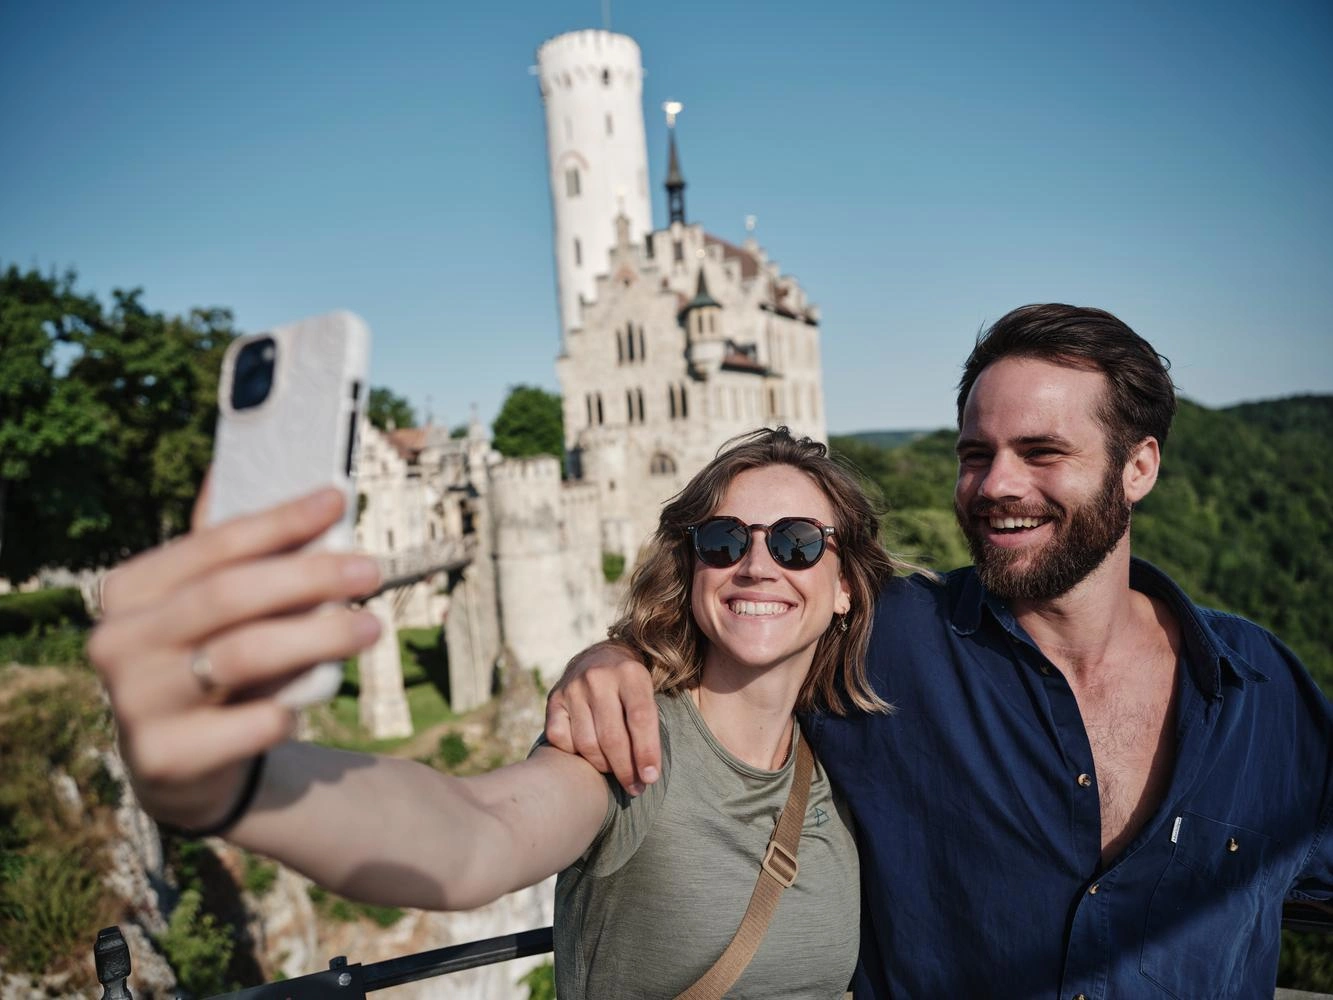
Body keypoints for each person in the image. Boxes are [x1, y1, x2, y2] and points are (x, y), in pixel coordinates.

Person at [545, 303, 1333, 998]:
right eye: (974, 454)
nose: (995, 484)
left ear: (1137, 468)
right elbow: (751, 620)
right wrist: (614, 658)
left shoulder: (1259, 688)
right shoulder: (887, 645)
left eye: (1041, 451)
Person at [90, 427, 909, 998]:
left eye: (798, 542)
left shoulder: (844, 752)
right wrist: (241, 783)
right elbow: (473, 832)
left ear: (843, 585)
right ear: (693, 567)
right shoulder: (627, 741)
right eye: (725, 540)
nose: (757, 564)